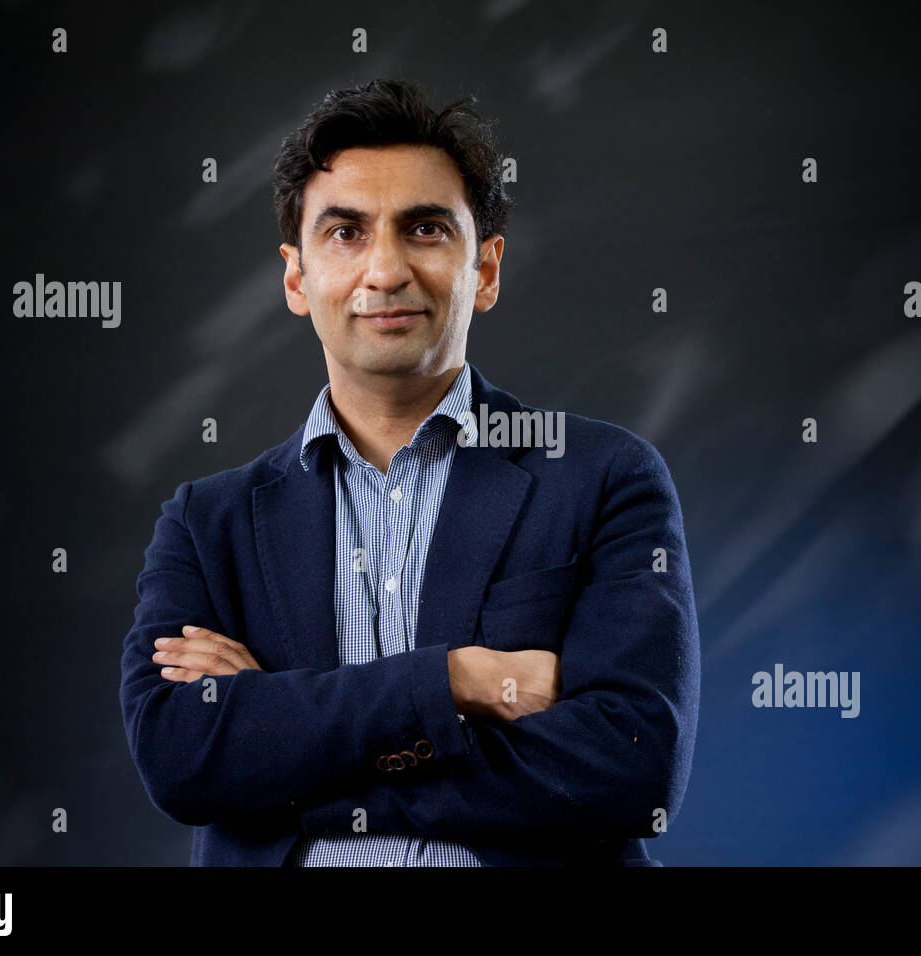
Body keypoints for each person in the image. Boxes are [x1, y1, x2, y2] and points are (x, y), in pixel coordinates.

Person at [119, 77, 700, 866]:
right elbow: (182, 758)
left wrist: (286, 748)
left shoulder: (604, 478)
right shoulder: (207, 523)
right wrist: (454, 682)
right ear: (296, 278)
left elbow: (629, 770)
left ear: (485, 269)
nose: (385, 270)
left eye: (424, 229)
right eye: (345, 232)